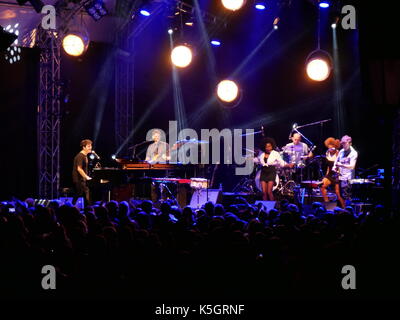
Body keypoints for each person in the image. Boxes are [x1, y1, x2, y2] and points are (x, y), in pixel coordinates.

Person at [332, 135, 358, 207]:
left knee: (347, 196)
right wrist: (334, 167)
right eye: (342, 143)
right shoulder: (341, 151)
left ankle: (348, 211)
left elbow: (352, 166)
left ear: (350, 143)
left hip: (348, 178)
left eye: (344, 143)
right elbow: (336, 161)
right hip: (340, 176)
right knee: (340, 194)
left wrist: (341, 165)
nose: (342, 145)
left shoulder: (353, 153)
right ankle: (344, 210)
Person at [320, 137, 345, 207]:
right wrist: (326, 175)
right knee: (322, 186)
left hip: (337, 175)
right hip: (330, 174)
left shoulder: (338, 154)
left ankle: (345, 208)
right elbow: (328, 166)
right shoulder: (327, 153)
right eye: (329, 148)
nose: (330, 150)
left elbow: (341, 166)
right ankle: (327, 204)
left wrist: (339, 176)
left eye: (332, 148)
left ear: (335, 147)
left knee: (338, 193)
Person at [72, 139, 93, 206]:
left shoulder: (85, 156)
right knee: (85, 192)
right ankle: (89, 207)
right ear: (84, 147)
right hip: (78, 179)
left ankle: (72, 206)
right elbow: (79, 169)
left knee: (79, 193)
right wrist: (86, 177)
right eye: (88, 146)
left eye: (91, 146)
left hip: (81, 179)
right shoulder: (80, 156)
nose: (90, 148)